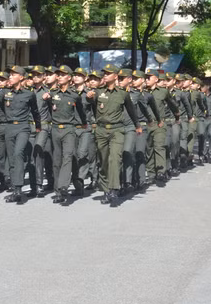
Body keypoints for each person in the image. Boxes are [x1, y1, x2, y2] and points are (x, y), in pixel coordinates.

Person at [86, 64, 141, 206]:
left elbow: (131, 110)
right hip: (101, 130)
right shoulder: (98, 92)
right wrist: (89, 97)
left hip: (117, 130)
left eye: (108, 73)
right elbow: (90, 105)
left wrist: (137, 126)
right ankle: (105, 190)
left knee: (114, 159)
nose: (105, 75)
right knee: (103, 161)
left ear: (115, 76)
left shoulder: (123, 93)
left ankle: (113, 189)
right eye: (104, 73)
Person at [0, 66, 40, 203]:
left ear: (21, 77)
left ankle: (19, 186)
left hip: (23, 127)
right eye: (10, 74)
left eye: (14, 74)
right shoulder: (5, 93)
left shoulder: (29, 94)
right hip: (9, 127)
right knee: (12, 159)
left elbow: (35, 111)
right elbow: (0, 104)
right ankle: (16, 190)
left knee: (18, 153)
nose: (10, 76)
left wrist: (38, 126)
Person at [44, 65, 86, 203]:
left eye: (63, 75)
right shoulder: (52, 94)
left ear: (69, 77)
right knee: (57, 161)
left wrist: (84, 124)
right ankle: (59, 191)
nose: (60, 77)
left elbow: (81, 111)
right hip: (55, 129)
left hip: (69, 129)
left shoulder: (74, 95)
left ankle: (63, 187)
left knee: (67, 156)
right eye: (58, 75)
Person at [145, 69, 179, 185]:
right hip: (146, 124)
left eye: (149, 77)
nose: (146, 80)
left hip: (159, 124)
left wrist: (177, 114)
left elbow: (172, 104)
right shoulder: (142, 92)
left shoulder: (163, 92)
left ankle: (161, 171)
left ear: (155, 79)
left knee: (159, 147)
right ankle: (151, 173)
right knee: (149, 149)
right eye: (145, 77)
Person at [28, 66, 50, 197]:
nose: (35, 77)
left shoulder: (48, 92)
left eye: (38, 75)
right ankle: (33, 186)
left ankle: (39, 184)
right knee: (30, 156)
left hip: (43, 126)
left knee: (37, 152)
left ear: (44, 77)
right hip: (29, 126)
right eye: (33, 75)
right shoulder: (27, 91)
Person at [71, 68, 94, 196]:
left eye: (80, 76)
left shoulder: (89, 94)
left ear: (85, 78)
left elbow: (96, 110)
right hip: (72, 127)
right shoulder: (69, 92)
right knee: (73, 155)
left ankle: (80, 178)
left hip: (85, 128)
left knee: (82, 153)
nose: (76, 77)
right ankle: (76, 182)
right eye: (75, 75)